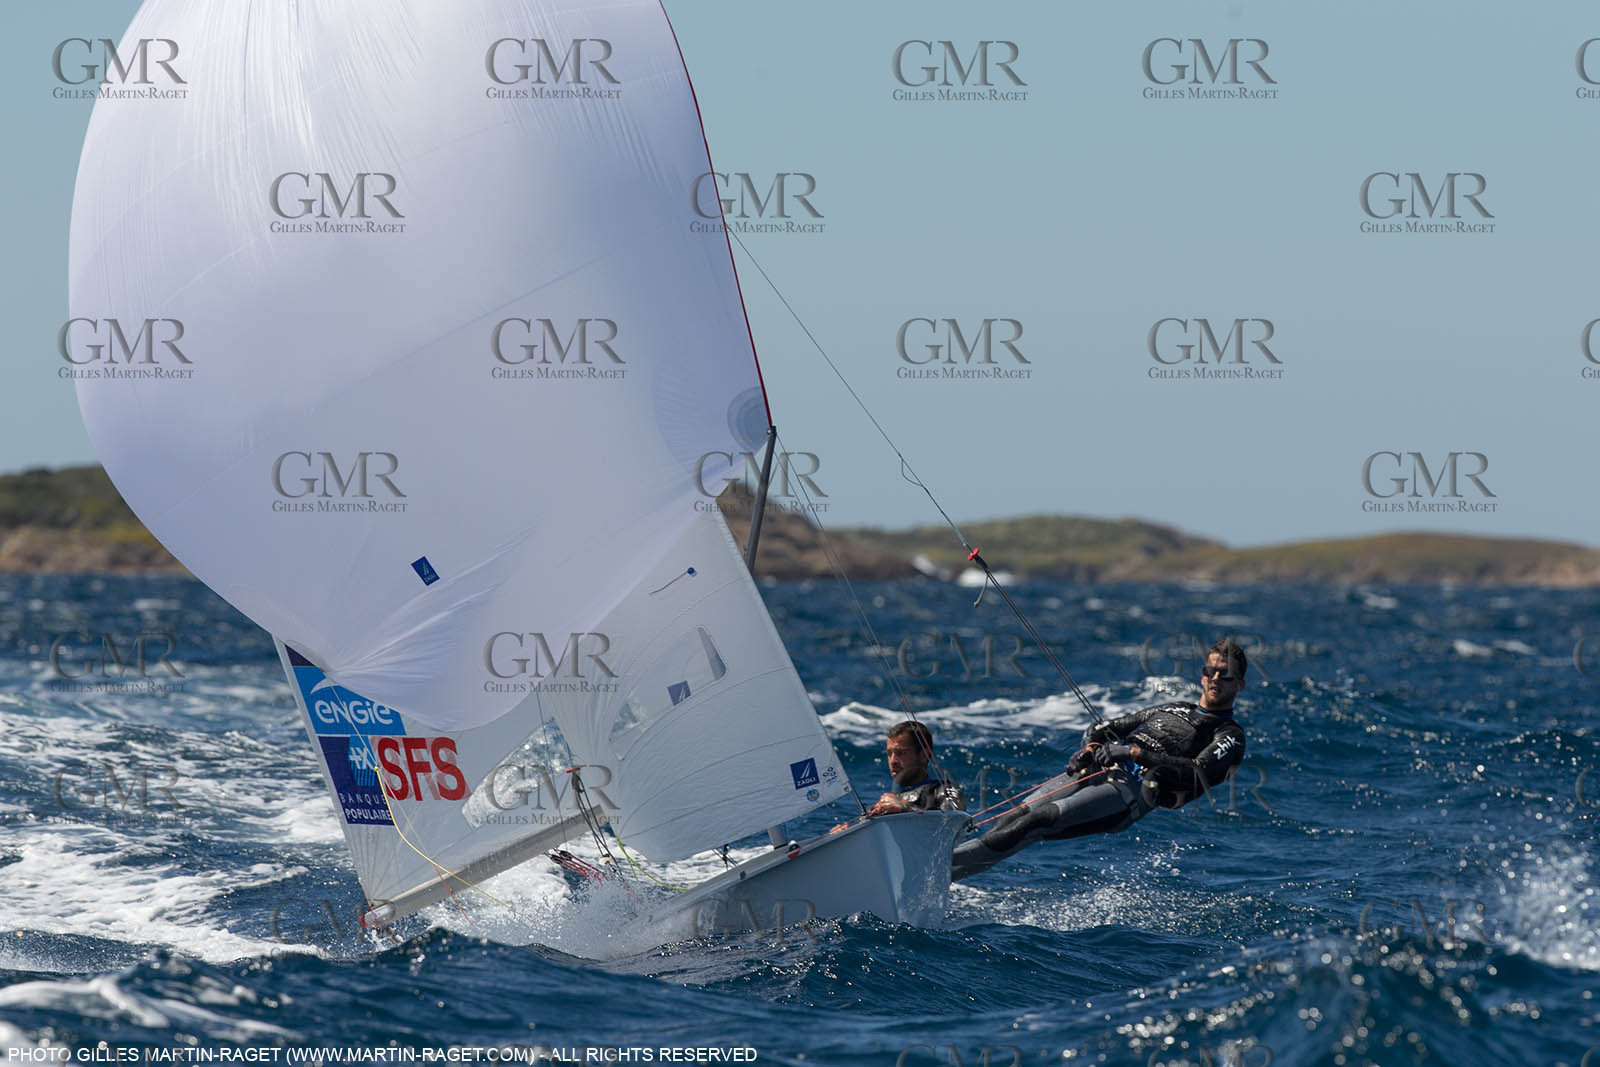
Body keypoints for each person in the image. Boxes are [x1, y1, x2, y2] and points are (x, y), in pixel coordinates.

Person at [950, 639, 1249, 880]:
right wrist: (1091, 749)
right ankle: (944, 870)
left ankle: (942, 868)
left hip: (1131, 793)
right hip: (1098, 771)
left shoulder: (1229, 735)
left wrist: (1134, 753)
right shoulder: (1173, 708)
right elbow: (1103, 729)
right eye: (1211, 671)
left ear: (1239, 685)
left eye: (1226, 675)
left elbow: (1197, 771)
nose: (1216, 679)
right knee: (1016, 816)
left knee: (1037, 822)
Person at [832, 720, 964, 833]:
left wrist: (905, 807)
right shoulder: (882, 806)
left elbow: (953, 822)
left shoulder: (945, 790)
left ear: (924, 756)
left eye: (901, 753)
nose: (893, 761)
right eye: (889, 753)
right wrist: (847, 833)